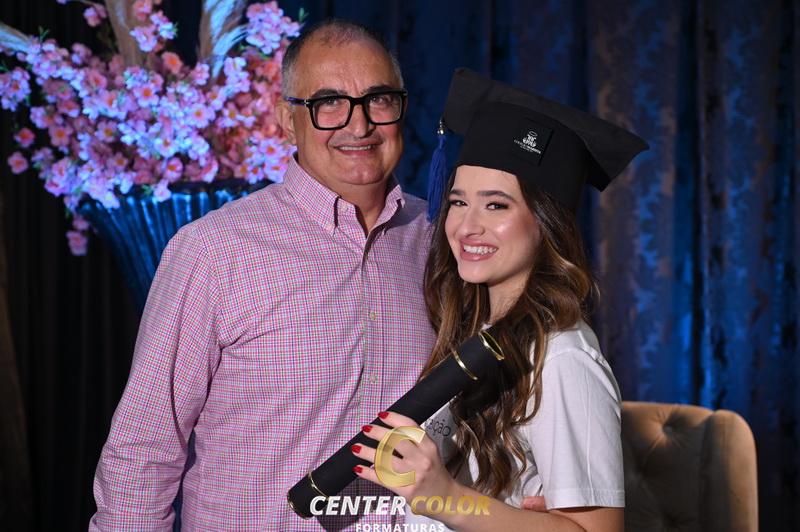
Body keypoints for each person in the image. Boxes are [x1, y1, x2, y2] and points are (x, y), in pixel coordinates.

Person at [90, 20, 437, 530]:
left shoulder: (437, 240)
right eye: (329, 103)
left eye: (378, 99)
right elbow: (145, 448)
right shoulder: (214, 252)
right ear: (286, 120)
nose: (359, 124)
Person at [353, 68, 648, 531]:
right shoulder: (473, 332)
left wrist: (445, 498)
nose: (467, 227)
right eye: (458, 202)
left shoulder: (563, 357)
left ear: (546, 223)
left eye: (496, 205)